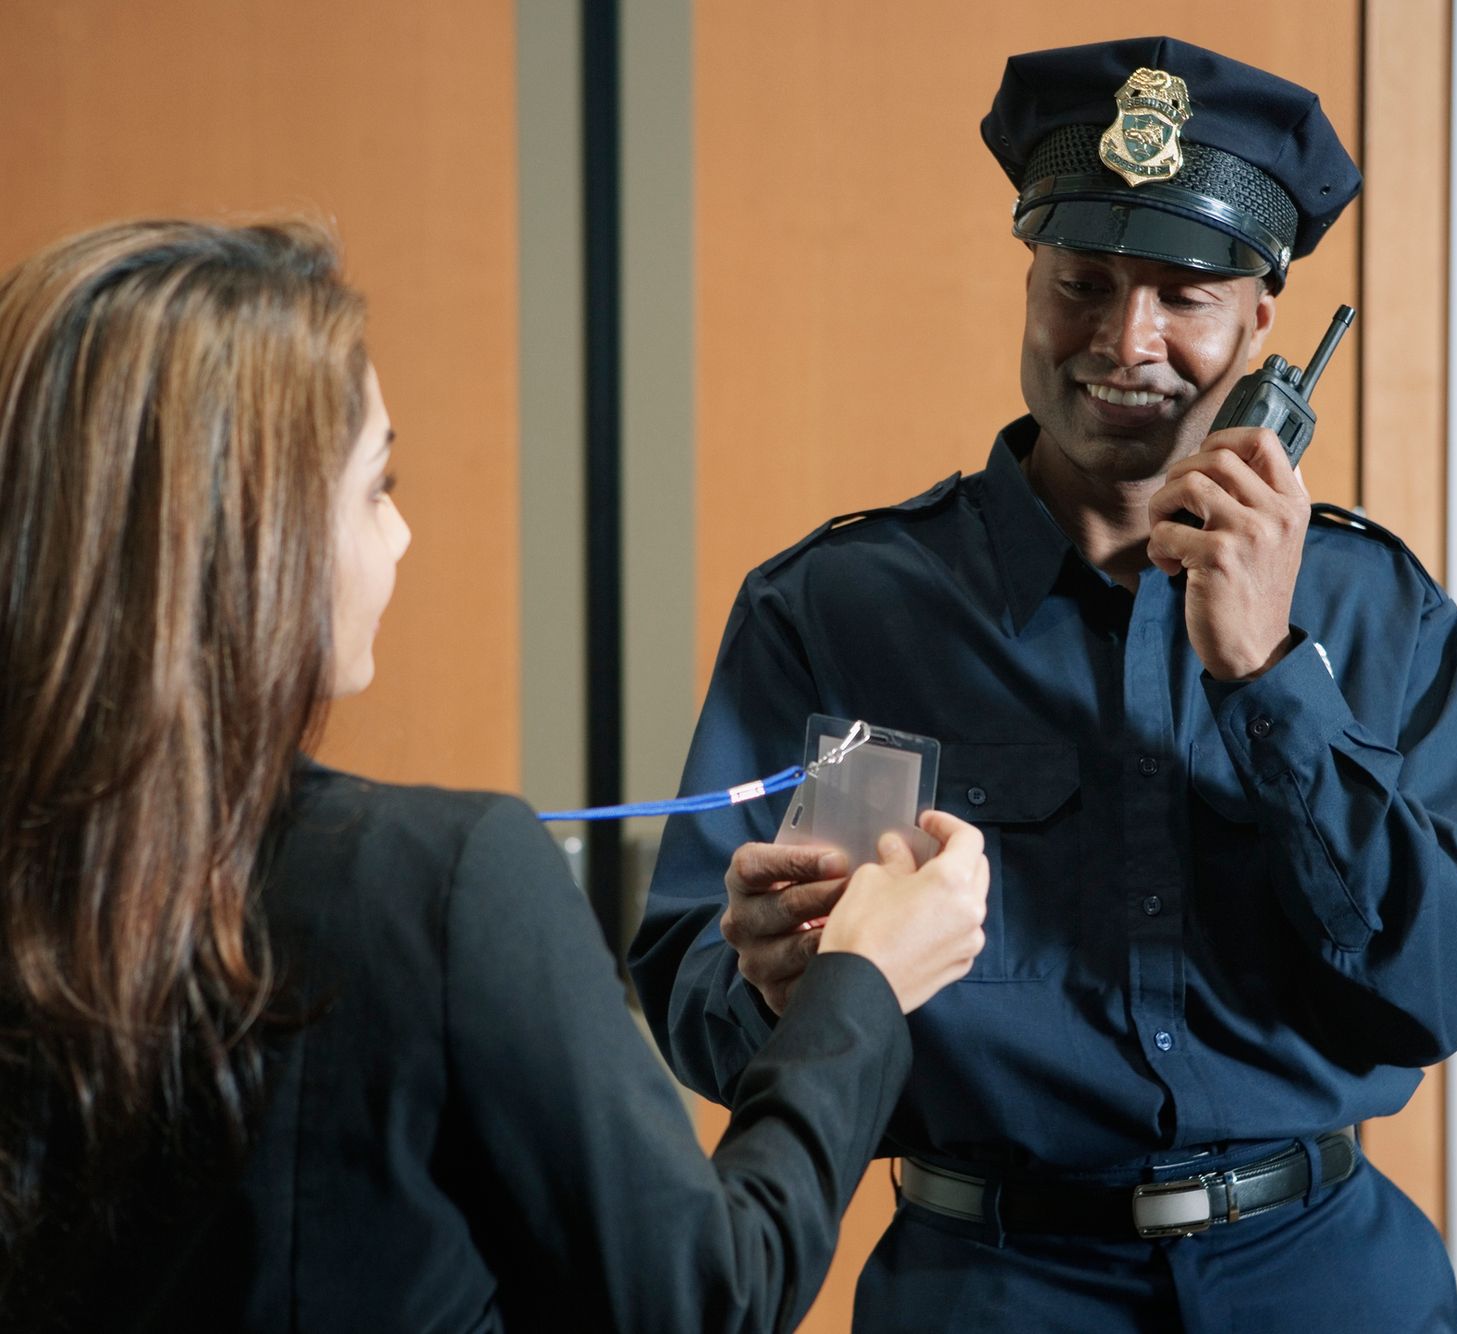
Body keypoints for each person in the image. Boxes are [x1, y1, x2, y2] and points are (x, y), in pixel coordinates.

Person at [633, 35, 1457, 1331]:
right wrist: (768, 986)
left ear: (1264, 323)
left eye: (1184, 292)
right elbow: (692, 987)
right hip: (985, 1282)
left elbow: (1443, 986)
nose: (1126, 338)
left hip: (1320, 1278)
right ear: (1031, 282)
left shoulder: (1376, 608)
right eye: (1082, 282)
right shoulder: (833, 606)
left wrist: (1269, 674)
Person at [0, 220, 989, 1333]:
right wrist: (862, 983)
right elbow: (706, 1296)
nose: (406, 531)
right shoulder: (436, 880)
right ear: (254, 533)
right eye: (379, 483)